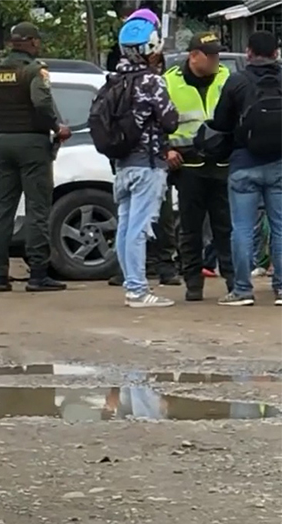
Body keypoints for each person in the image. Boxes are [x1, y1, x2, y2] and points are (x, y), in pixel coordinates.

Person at [0, 22, 69, 292]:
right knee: (37, 209)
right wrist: (56, 127)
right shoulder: (34, 71)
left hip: (3, 144)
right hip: (32, 144)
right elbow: (42, 102)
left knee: (3, 210)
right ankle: (38, 275)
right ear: (32, 42)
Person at [105, 17, 180, 308]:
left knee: (126, 227)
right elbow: (170, 120)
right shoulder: (152, 81)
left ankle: (131, 284)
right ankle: (137, 290)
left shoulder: (115, 79)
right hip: (147, 164)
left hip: (122, 164)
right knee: (139, 229)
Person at [207, 31, 282, 307]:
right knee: (280, 227)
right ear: (276, 53)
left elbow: (220, 122)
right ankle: (281, 288)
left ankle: (242, 289)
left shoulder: (237, 81)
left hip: (243, 164)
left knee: (241, 228)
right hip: (279, 164)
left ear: (249, 52)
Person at [164, 32, 234, 302]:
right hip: (188, 166)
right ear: (194, 56)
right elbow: (154, 121)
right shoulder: (170, 81)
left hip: (221, 164)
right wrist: (166, 149)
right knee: (190, 229)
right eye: (211, 55)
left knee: (225, 228)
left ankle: (234, 282)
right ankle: (193, 283)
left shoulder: (226, 78)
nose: (217, 60)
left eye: (218, 54)